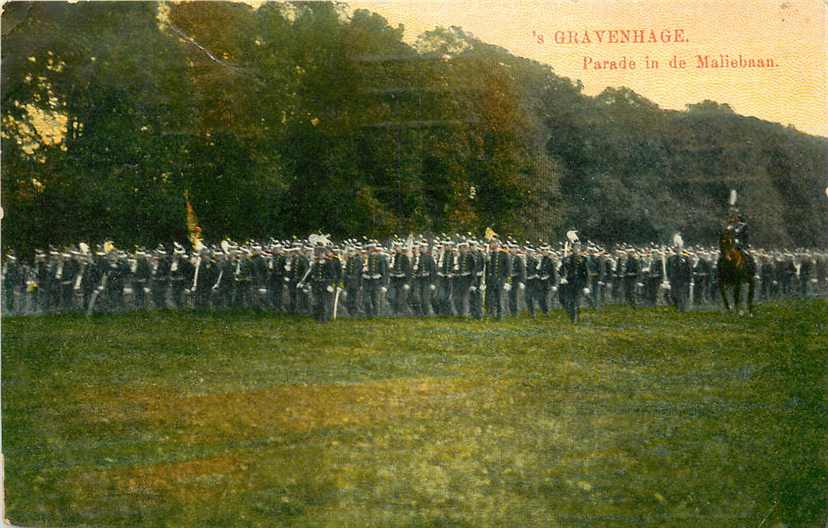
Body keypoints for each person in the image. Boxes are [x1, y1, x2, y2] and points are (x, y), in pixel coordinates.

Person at [559, 242, 589, 323]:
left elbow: (586, 273)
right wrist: (562, 277)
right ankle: (573, 317)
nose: (577, 249)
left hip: (579, 283)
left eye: (578, 248)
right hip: (570, 282)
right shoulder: (567, 259)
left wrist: (586, 286)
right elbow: (561, 269)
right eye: (575, 248)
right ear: (572, 249)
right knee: (570, 301)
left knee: (576, 301)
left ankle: (576, 317)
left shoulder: (583, 259)